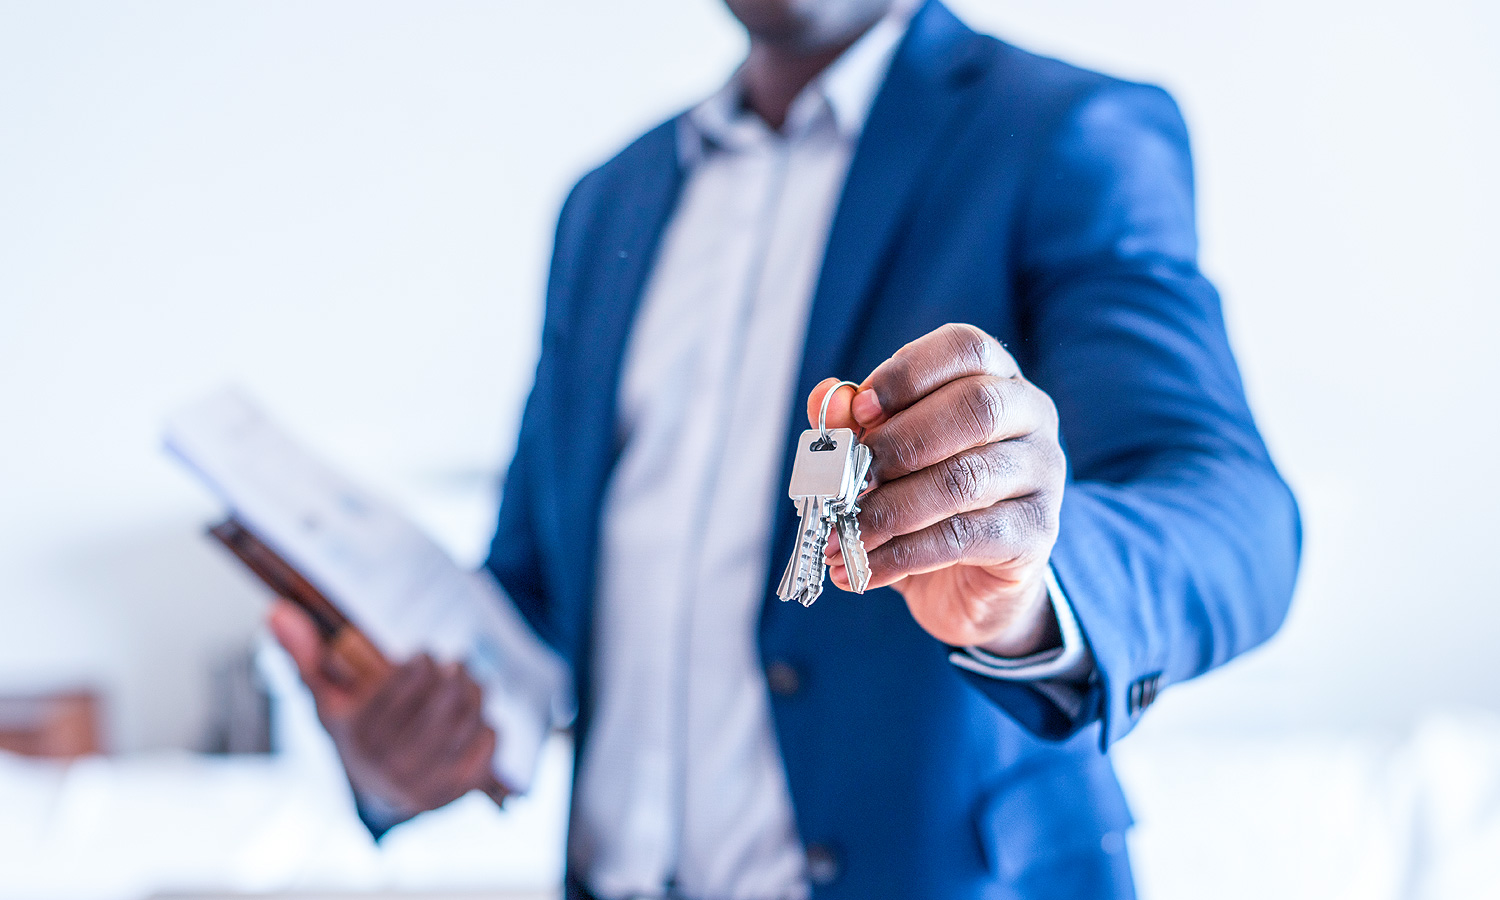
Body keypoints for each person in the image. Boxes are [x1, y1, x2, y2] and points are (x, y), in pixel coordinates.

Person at [269, 0, 1302, 897]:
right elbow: (541, 594)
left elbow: (1233, 514)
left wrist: (1032, 583)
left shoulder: (1066, 135)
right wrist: (396, 755)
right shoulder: (605, 205)